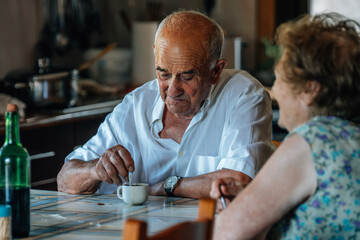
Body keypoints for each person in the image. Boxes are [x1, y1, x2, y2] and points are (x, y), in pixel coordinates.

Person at [57, 10, 274, 198]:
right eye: (164, 74)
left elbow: (238, 181)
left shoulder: (242, 94)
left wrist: (167, 187)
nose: (172, 89)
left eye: (187, 77)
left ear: (216, 71)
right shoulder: (136, 104)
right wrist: (95, 169)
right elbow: (65, 181)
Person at [210, 12, 360, 239]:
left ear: (310, 90)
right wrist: (256, 197)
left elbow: (227, 233)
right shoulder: (350, 137)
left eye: (279, 78)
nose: (275, 90)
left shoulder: (312, 139)